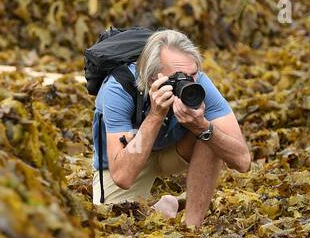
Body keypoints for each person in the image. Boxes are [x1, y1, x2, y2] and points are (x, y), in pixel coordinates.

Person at [92, 29, 250, 226]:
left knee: (211, 138)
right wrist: (155, 115)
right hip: (128, 157)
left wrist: (202, 127)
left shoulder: (198, 83)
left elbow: (243, 162)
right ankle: (166, 206)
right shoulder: (118, 89)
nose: (188, 83)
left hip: (172, 152)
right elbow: (123, 176)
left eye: (192, 74)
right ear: (151, 78)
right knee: (116, 223)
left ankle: (192, 226)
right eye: (177, 78)